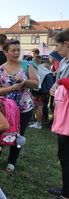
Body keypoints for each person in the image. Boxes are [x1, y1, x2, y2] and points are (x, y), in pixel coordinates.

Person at [0, 39, 39, 172]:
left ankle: (12, 161)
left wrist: (24, 80)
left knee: (18, 134)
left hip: (24, 108)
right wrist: (11, 88)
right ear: (5, 52)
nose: (16, 53)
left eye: (18, 50)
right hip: (4, 108)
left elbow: (36, 83)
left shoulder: (27, 65)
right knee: (0, 131)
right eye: (13, 50)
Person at [49, 28, 69, 199]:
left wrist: (61, 86)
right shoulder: (64, 62)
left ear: (67, 43)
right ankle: (66, 189)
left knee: (65, 153)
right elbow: (58, 84)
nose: (56, 49)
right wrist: (55, 88)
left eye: (57, 45)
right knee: (63, 153)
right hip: (63, 112)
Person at [29, 55, 53, 129]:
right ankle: (38, 122)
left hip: (38, 91)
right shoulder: (45, 69)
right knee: (38, 106)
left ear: (35, 62)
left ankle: (39, 123)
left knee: (38, 107)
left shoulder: (37, 69)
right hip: (43, 91)